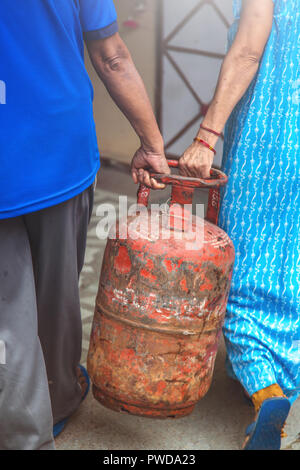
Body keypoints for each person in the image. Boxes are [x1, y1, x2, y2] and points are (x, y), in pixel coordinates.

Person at [0, 0, 169, 450]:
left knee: (8, 311)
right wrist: (152, 144)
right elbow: (111, 55)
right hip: (58, 151)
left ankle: (26, 421)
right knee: (55, 295)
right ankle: (52, 404)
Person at [177, 0, 299, 450]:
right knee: (291, 264)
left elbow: (250, 47)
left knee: (243, 266)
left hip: (270, 141)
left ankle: (266, 391)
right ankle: (282, 376)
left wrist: (206, 136)